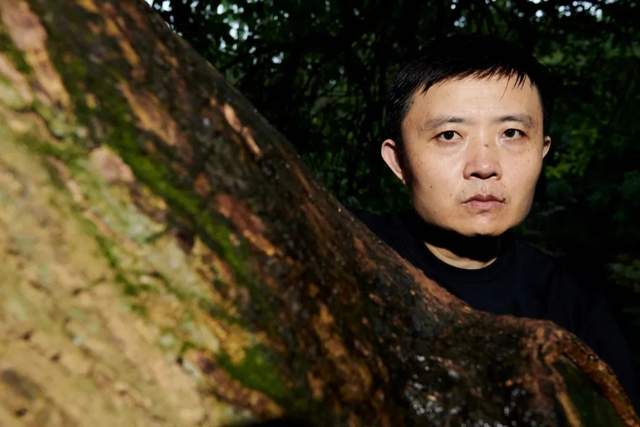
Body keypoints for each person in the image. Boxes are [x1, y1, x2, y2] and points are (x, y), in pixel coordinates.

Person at [357, 34, 639, 410]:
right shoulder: (346, 251)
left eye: (511, 134)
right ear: (399, 161)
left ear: (542, 152)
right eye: (449, 135)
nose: (485, 166)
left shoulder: (575, 306)